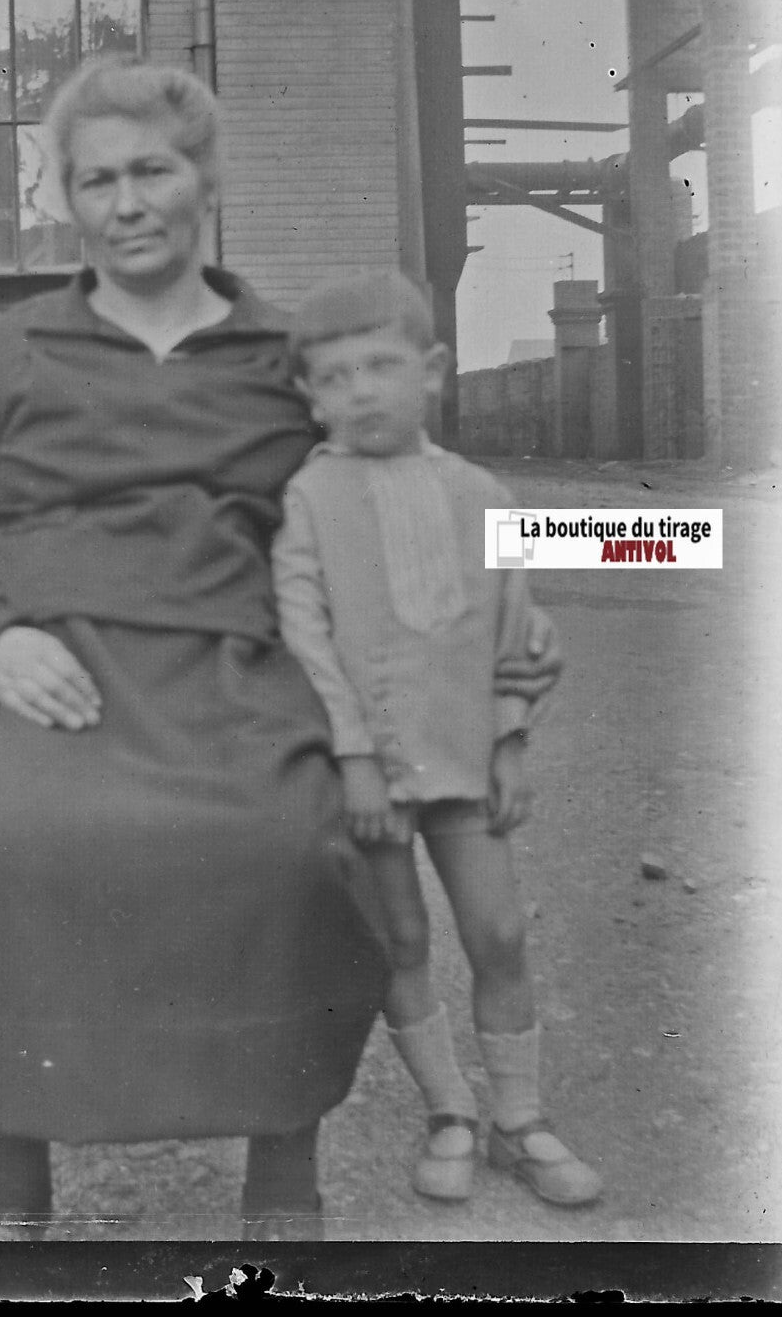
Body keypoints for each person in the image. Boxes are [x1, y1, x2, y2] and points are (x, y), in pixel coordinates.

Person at [0, 56, 390, 1242]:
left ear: (204, 179)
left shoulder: (283, 354)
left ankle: (283, 1176)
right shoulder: (18, 350)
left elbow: (384, 514)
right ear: (66, 197)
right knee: (20, 845)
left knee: (288, 851)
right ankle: (13, 1166)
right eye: (95, 178)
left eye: (151, 171)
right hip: (45, 673)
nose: (126, 202)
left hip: (232, 675)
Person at [270, 270, 603, 1209]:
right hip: (370, 774)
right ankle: (449, 1110)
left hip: (463, 761)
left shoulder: (483, 493)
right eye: (332, 379)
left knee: (498, 932)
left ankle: (520, 1119)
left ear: (435, 371)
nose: (360, 392)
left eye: (380, 367)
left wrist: (508, 744)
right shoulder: (308, 500)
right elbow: (306, 642)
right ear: (308, 396)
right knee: (402, 937)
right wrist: (354, 759)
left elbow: (516, 633)